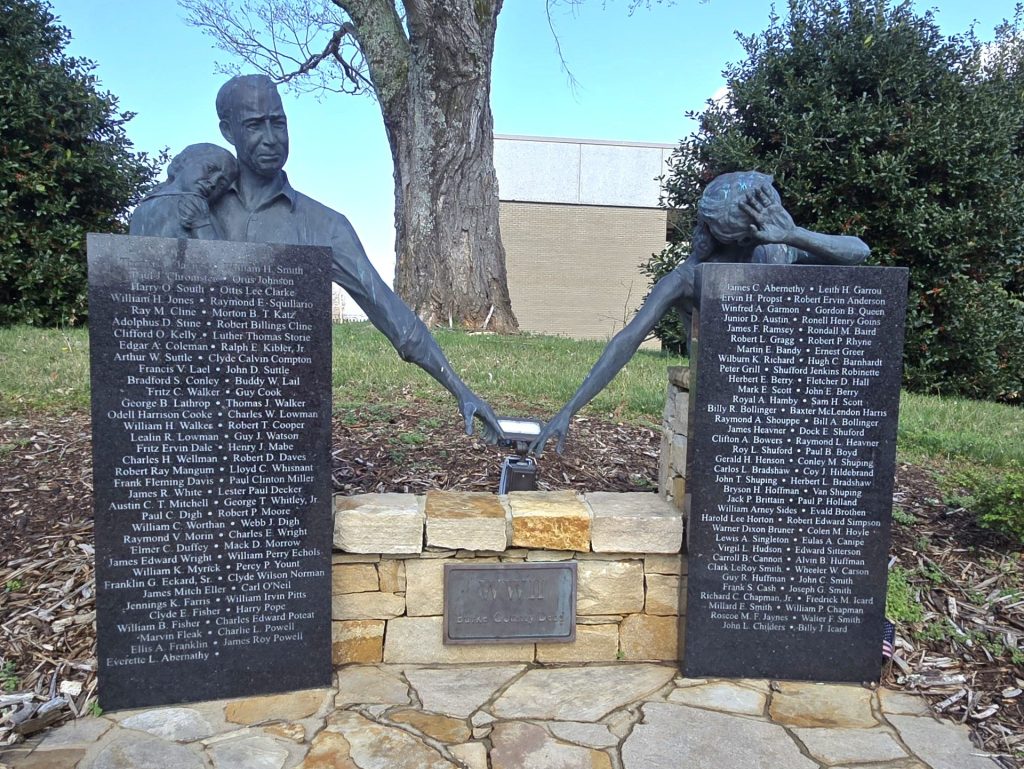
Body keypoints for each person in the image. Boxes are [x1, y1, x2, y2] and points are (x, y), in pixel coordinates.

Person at [209, 74, 501, 441]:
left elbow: (392, 315)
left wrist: (462, 390)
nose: (271, 138)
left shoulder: (323, 226)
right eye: (254, 125)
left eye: (278, 122)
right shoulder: (193, 210)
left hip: (282, 424)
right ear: (227, 130)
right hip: (203, 410)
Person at [530, 170, 870, 455]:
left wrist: (796, 235)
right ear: (737, 236)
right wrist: (569, 410)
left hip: (774, 389)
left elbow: (858, 252)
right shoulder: (687, 279)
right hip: (722, 400)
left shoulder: (777, 252)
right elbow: (627, 340)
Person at [129, 143, 237, 239]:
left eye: (222, 184)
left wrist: (201, 223)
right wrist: (202, 224)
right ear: (183, 161)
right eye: (210, 169)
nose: (213, 183)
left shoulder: (201, 211)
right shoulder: (193, 207)